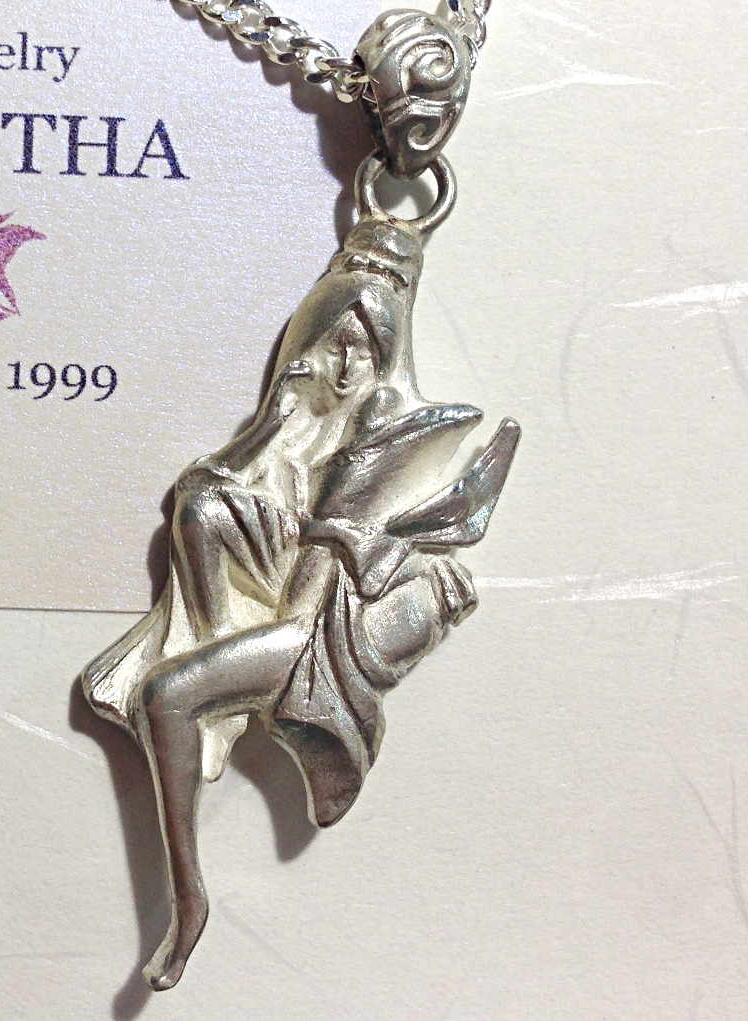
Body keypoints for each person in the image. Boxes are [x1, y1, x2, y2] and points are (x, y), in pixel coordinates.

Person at [82, 219, 519, 989]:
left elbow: (318, 589)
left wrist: (339, 540)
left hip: (321, 637)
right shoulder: (304, 419)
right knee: (200, 505)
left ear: (388, 355)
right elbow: (219, 486)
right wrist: (273, 427)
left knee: (164, 693)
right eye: (335, 343)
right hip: (295, 608)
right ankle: (212, 715)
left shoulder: (382, 435)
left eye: (365, 350)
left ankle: (189, 898)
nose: (346, 365)